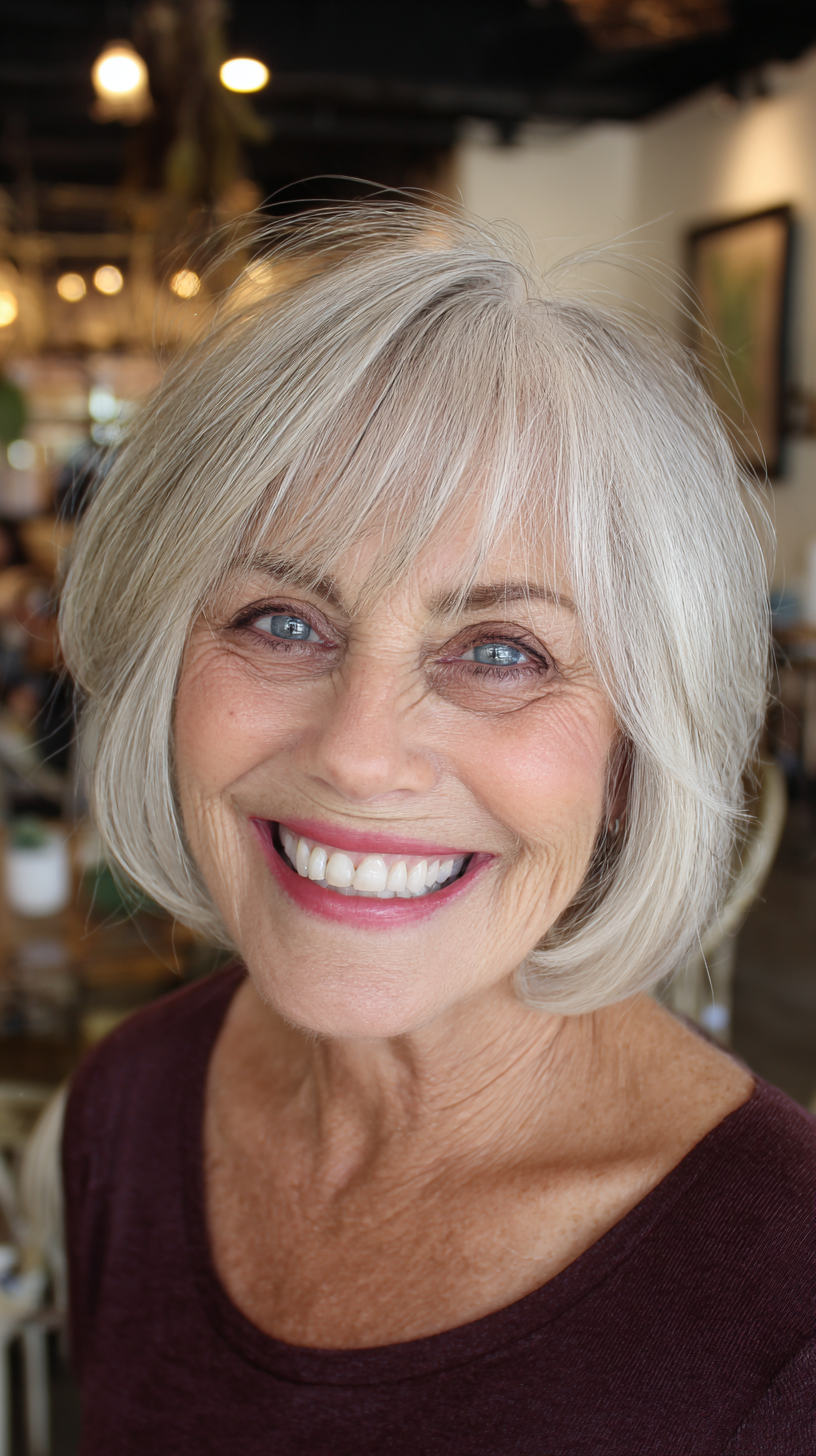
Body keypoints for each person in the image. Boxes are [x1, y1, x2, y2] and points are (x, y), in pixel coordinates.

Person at [59, 201, 815, 1454]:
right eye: (281, 621)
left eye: (502, 650)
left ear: (632, 756)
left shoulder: (785, 1310)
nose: (359, 752)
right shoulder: (130, 1108)